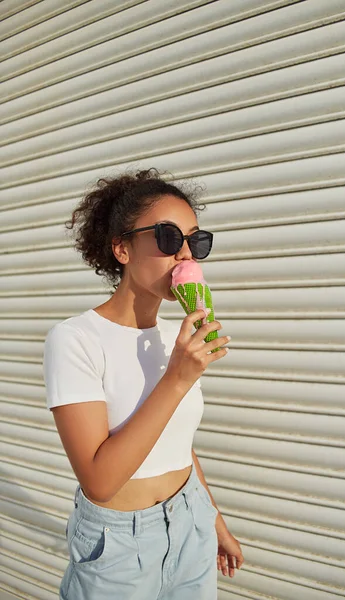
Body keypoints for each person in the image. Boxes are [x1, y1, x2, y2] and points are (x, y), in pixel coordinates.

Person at [43, 168, 244, 599]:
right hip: (120, 544)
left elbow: (174, 439)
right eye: (169, 237)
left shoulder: (176, 336)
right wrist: (175, 379)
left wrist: (213, 520)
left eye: (196, 240)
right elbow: (99, 481)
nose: (186, 253)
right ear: (122, 248)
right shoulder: (75, 339)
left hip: (191, 520)